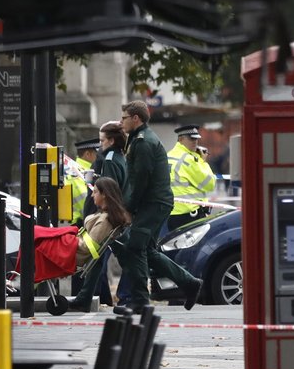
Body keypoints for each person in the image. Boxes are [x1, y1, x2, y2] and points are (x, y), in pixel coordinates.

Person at [115, 100, 204, 314]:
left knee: (134, 247)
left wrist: (129, 208)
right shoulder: (138, 139)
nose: (121, 122)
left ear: (136, 118)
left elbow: (140, 180)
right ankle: (190, 283)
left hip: (152, 203)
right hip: (154, 202)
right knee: (146, 250)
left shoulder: (143, 142)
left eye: (124, 118)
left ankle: (140, 302)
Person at [70, 121, 129, 311]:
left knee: (133, 257)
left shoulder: (110, 159)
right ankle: (85, 297)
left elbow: (108, 191)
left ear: (111, 140)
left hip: (108, 216)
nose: (100, 145)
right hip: (109, 216)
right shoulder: (114, 156)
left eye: (102, 140)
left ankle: (130, 297)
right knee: (95, 256)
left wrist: (102, 215)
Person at [167, 124, 217, 230]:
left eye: (196, 139)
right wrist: (202, 161)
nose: (195, 142)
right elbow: (210, 184)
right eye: (191, 139)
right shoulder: (189, 159)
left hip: (171, 213)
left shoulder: (169, 155)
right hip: (189, 215)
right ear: (180, 139)